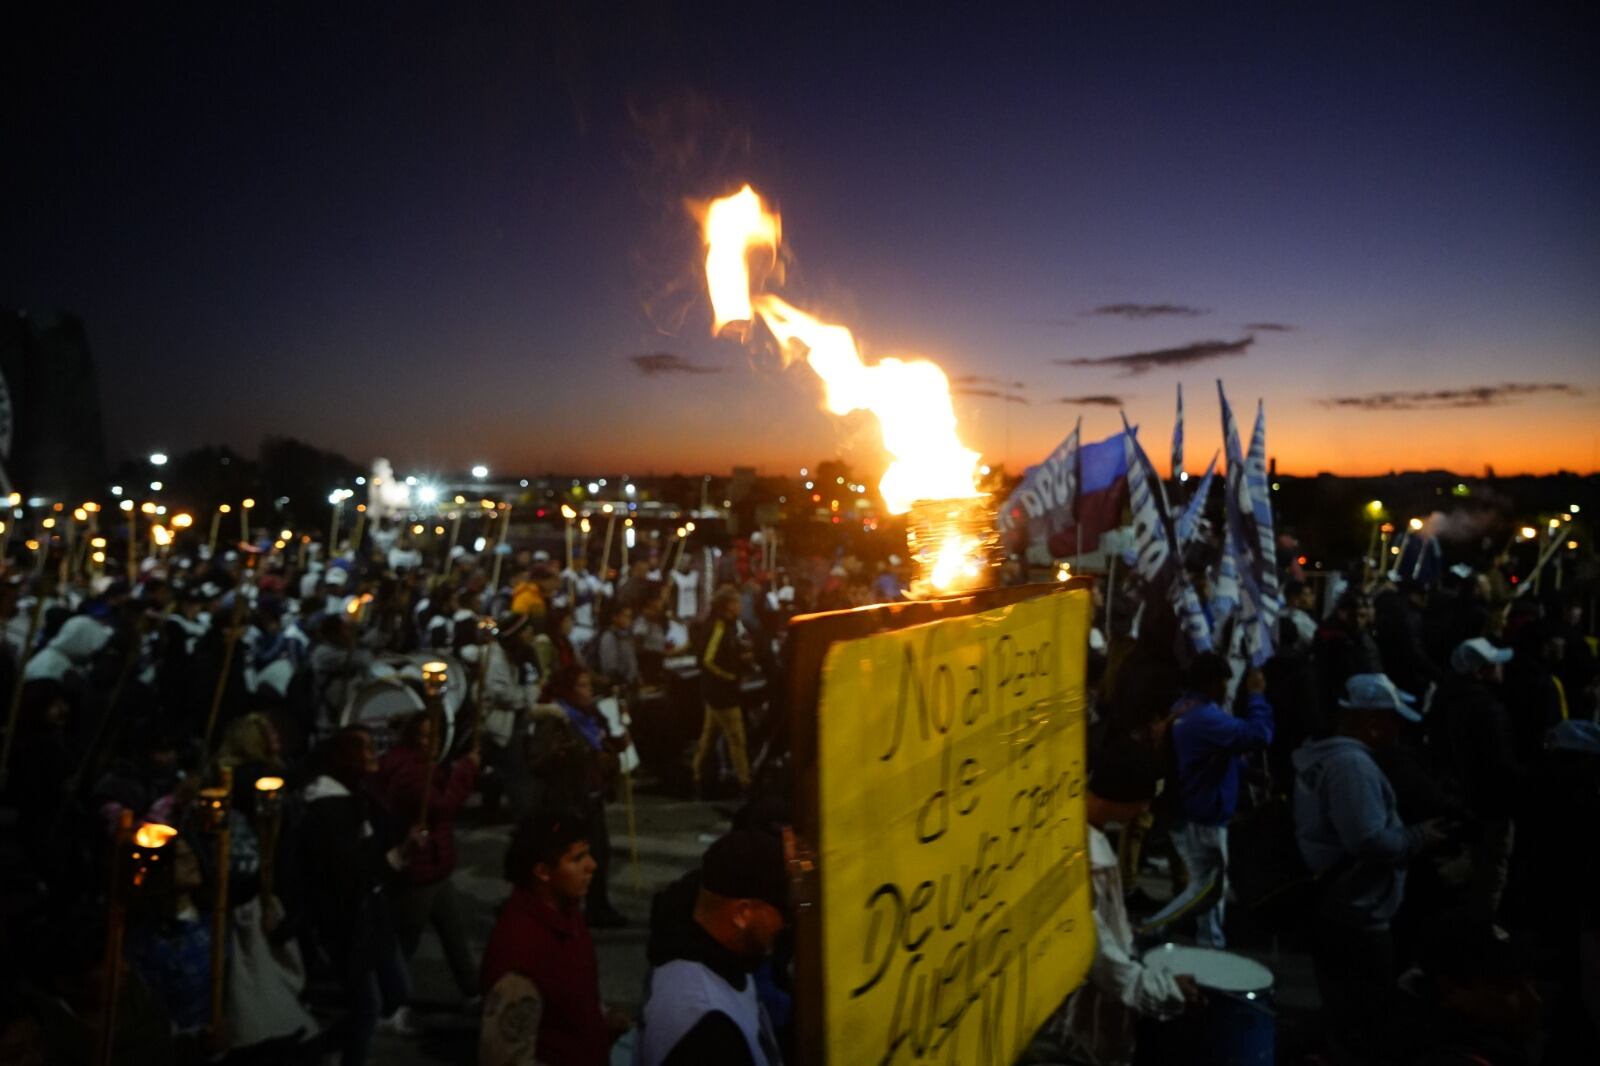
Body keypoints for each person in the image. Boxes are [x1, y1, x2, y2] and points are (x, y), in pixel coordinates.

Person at [1292, 673, 1450, 1064]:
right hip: (1358, 909)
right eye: (1393, 721)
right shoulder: (1352, 766)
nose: (1398, 731)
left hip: (1334, 903)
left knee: (1343, 1008)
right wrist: (1419, 836)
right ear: (1371, 722)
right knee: (1367, 1013)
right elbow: (1367, 840)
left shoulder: (1323, 753)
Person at [1027, 737, 1201, 1066]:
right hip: (1075, 1030)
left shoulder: (1082, 832)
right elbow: (1099, 956)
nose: (1145, 809)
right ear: (1119, 794)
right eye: (1143, 800)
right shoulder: (1082, 861)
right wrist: (1166, 990)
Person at [1139, 653, 1272, 947]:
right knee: (1207, 888)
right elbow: (1258, 735)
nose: (1228, 688)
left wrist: (1245, 774)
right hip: (1201, 815)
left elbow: (1210, 754)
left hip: (1193, 809)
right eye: (1224, 682)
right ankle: (1152, 930)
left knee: (1210, 888)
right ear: (1211, 683)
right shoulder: (1205, 717)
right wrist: (1257, 697)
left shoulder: (1187, 708)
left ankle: (1209, 941)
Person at [478, 811, 628, 1066]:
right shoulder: (521, 958)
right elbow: (506, 1059)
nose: (592, 865)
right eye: (577, 858)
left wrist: (601, 1018)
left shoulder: (567, 913)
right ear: (543, 871)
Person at [638, 830, 787, 1066]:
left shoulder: (723, 957)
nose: (786, 924)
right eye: (782, 910)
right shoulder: (706, 1026)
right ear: (742, 913)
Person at [374, 711, 481, 1005]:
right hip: (420, 869)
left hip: (434, 866)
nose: (433, 742)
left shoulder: (419, 765)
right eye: (425, 735)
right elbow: (442, 806)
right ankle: (390, 1003)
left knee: (453, 932)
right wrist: (466, 771)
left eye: (435, 734)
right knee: (405, 941)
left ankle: (472, 990)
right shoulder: (409, 772)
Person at [538, 666, 627, 928]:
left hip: (592, 796)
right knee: (568, 860)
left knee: (599, 853)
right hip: (569, 799)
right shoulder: (557, 719)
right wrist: (570, 755)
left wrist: (618, 736)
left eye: (590, 686)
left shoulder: (591, 715)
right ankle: (566, 910)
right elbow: (540, 762)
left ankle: (598, 907)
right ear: (568, 690)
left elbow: (608, 743)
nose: (589, 691)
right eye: (583, 686)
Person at [694, 588, 751, 796]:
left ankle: (697, 775)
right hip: (722, 693)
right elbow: (708, 659)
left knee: (708, 737)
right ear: (728, 605)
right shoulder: (719, 626)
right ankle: (745, 781)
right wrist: (730, 676)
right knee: (736, 738)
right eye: (736, 602)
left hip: (715, 692)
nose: (740, 606)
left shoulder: (727, 625)